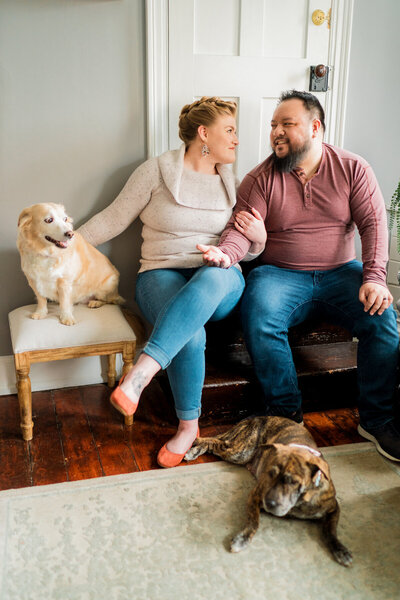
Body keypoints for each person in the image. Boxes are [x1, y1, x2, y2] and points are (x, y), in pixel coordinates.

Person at [199, 90, 400, 462]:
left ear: (315, 127)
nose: (275, 131)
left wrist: (374, 277)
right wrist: (226, 254)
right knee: (260, 317)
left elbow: (373, 224)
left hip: (342, 273)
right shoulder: (259, 179)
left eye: (286, 124)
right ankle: (287, 418)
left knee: (385, 319)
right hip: (279, 275)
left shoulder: (353, 168)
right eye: (273, 125)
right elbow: (240, 229)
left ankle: (376, 419)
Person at [78, 97, 267, 468]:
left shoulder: (238, 182)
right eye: (229, 130)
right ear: (203, 134)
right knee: (190, 333)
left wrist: (259, 238)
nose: (237, 139)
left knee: (215, 272)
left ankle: (142, 372)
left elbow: (245, 248)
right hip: (159, 275)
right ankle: (188, 427)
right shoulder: (156, 171)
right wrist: (66, 247)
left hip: (220, 281)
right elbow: (113, 219)